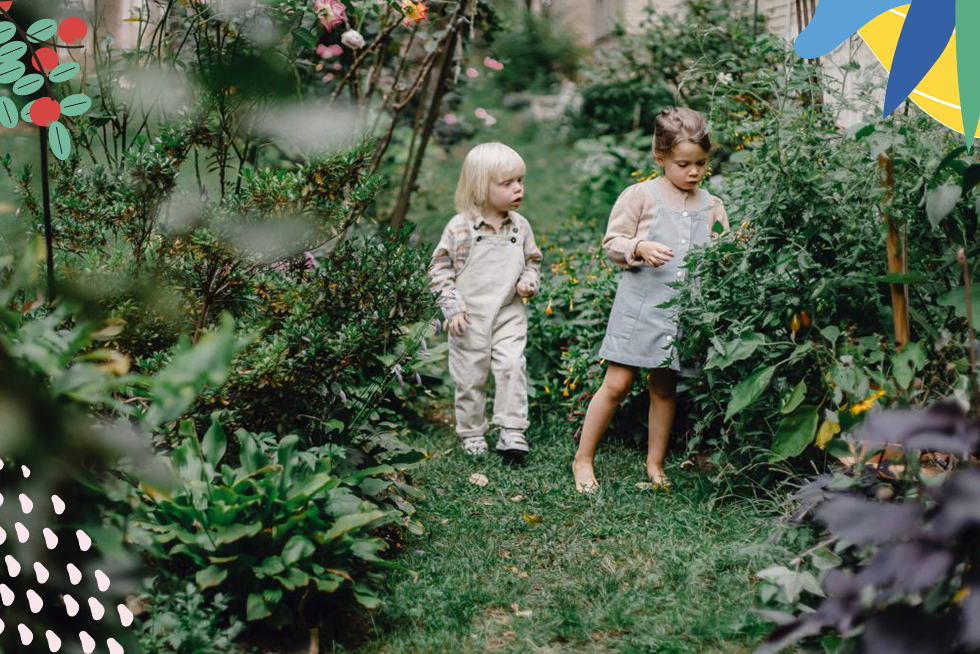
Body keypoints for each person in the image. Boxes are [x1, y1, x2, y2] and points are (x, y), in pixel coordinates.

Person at [571, 107, 730, 492]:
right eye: (683, 164)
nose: (693, 172)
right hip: (641, 306)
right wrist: (639, 246)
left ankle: (655, 464)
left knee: (664, 387)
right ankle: (583, 459)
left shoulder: (712, 205)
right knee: (618, 383)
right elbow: (612, 243)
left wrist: (730, 250)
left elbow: (721, 252)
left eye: (701, 164)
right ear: (660, 158)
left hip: (683, 313)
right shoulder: (642, 195)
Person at [429, 142, 543, 459]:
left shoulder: (520, 227)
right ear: (481, 187)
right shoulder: (461, 228)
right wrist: (452, 307)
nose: (518, 189)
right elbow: (439, 269)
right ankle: (472, 430)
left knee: (511, 366)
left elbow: (533, 261)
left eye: (520, 181)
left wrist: (527, 281)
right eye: (507, 184)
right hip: (469, 316)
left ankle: (512, 430)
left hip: (508, 310)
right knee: (470, 376)